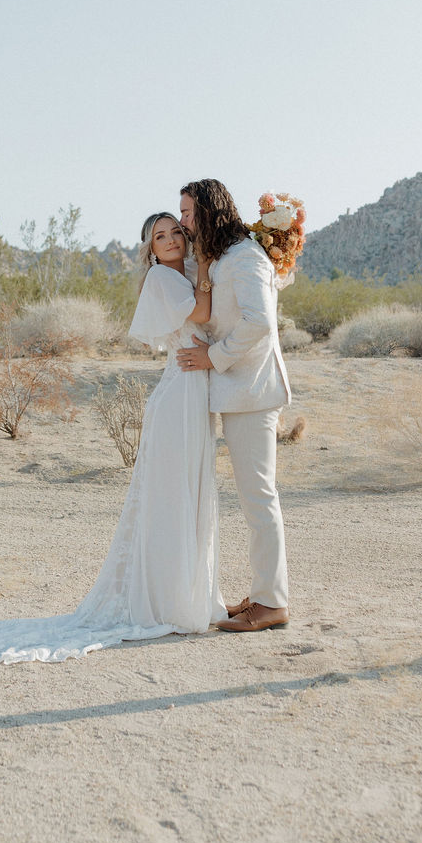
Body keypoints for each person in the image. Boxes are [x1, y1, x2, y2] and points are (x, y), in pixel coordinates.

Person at [0, 212, 225, 669]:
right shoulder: (163, 278)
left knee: (189, 494)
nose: (172, 239)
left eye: (176, 231)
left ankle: (187, 594)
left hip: (193, 391)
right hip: (180, 392)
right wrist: (212, 272)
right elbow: (202, 313)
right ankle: (166, 602)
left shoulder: (191, 274)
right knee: (172, 496)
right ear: (150, 249)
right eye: (160, 236)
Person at [176, 179, 291, 633]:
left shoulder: (244, 257)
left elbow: (259, 322)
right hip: (238, 391)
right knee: (253, 497)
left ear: (207, 210)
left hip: (253, 392)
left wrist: (213, 357)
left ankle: (271, 604)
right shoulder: (224, 256)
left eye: (187, 213)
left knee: (259, 497)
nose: (183, 221)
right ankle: (264, 594)